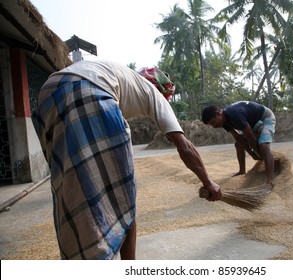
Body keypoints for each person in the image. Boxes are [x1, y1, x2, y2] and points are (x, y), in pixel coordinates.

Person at [32, 60, 221, 260]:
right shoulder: (153, 92)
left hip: (46, 95)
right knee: (124, 198)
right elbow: (184, 145)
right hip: (90, 92)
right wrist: (208, 182)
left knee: (69, 186)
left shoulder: (121, 77)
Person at [202, 101, 276, 187]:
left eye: (213, 122)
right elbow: (238, 138)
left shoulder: (234, 114)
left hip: (264, 118)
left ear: (218, 114)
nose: (214, 126)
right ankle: (242, 170)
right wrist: (252, 154)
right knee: (238, 144)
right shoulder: (224, 122)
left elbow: (251, 138)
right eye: (211, 125)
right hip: (252, 123)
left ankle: (270, 181)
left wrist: (258, 155)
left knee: (264, 147)